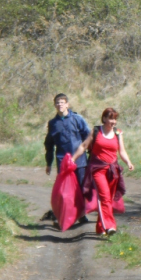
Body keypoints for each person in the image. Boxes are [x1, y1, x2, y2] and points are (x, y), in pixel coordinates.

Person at [72, 107, 134, 235]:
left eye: (115, 119)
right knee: (104, 197)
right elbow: (84, 146)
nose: (113, 122)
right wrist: (73, 159)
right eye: (111, 118)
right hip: (97, 169)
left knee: (108, 199)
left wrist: (128, 162)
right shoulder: (95, 131)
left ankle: (100, 228)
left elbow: (121, 151)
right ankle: (110, 226)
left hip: (113, 170)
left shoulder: (118, 133)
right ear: (104, 118)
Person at [43, 93, 91, 223]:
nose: (60, 105)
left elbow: (88, 137)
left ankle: (81, 214)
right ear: (54, 105)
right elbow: (49, 144)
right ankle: (64, 216)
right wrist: (49, 163)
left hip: (80, 161)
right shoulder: (53, 123)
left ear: (67, 104)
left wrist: (91, 156)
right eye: (57, 103)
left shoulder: (77, 119)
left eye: (62, 102)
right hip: (62, 162)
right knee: (65, 191)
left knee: (81, 189)